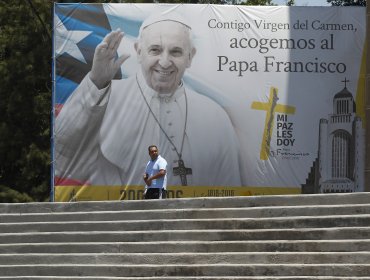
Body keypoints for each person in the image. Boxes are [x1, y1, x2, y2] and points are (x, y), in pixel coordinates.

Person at [55, 12, 242, 188]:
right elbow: (64, 151)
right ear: (139, 51)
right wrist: (96, 81)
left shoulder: (215, 116)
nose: (165, 62)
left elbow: (229, 188)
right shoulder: (104, 95)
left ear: (190, 56)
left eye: (176, 52)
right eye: (155, 50)